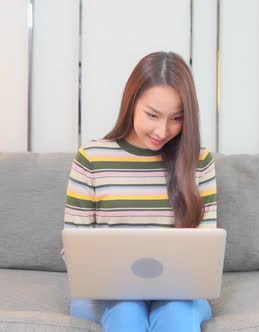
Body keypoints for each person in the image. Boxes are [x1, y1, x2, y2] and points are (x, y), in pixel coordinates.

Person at [62, 51, 217, 332]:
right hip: (109, 292)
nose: (162, 130)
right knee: (127, 314)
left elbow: (206, 249)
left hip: (179, 293)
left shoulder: (198, 161)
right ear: (131, 102)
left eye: (176, 118)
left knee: (177, 316)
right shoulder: (91, 158)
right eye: (152, 115)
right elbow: (74, 247)